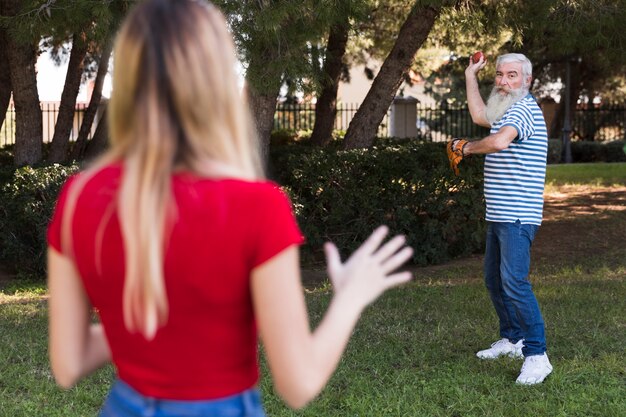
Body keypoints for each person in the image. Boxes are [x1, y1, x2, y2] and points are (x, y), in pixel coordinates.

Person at [46, 1, 414, 416]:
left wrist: (150, 321)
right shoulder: (257, 206)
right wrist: (350, 296)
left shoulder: (79, 197)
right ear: (219, 79)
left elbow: (68, 364)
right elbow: (298, 383)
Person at [447, 53, 552, 385]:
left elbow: (499, 141)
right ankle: (513, 339)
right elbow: (481, 115)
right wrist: (470, 75)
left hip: (518, 214)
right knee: (495, 280)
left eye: (512, 76)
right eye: (500, 75)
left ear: (527, 80)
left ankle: (537, 355)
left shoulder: (522, 109)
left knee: (515, 283)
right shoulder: (507, 109)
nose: (504, 81)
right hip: (500, 213)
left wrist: (464, 148)